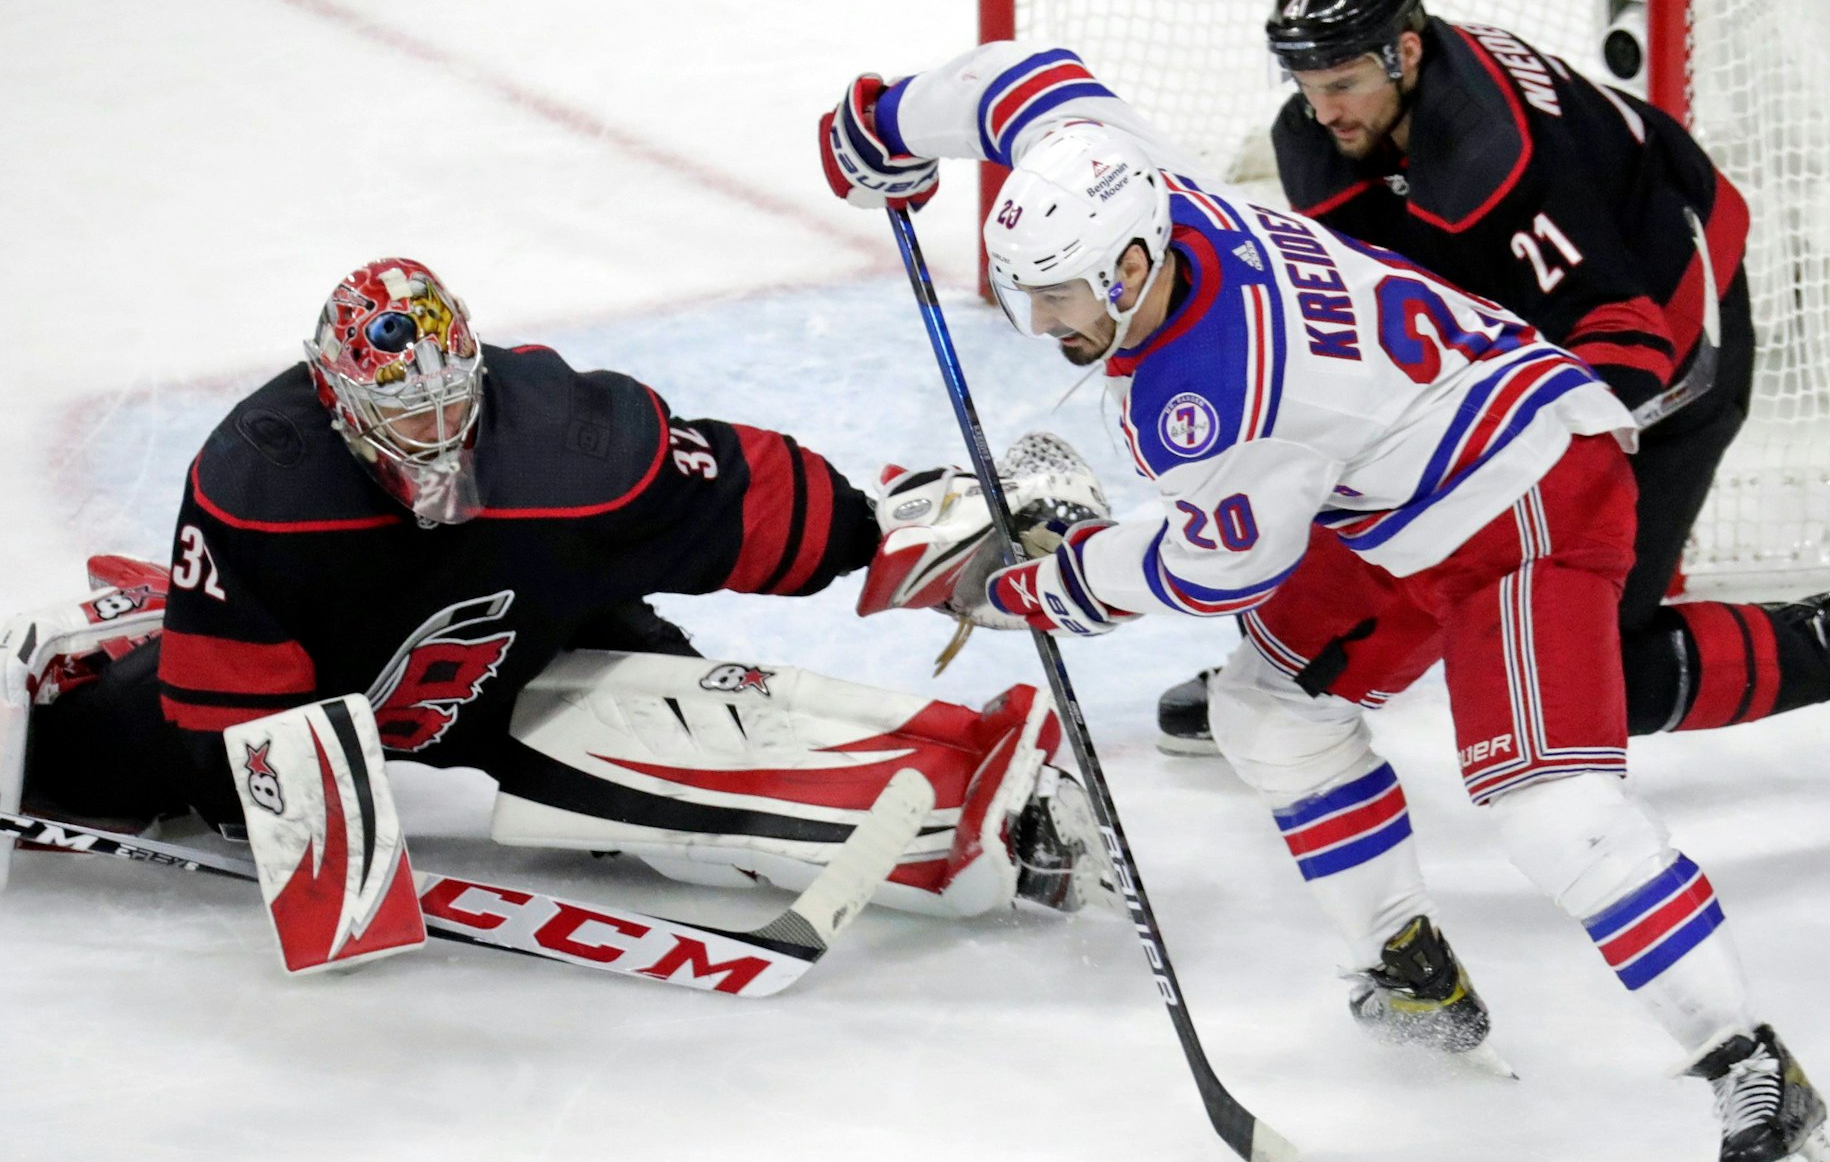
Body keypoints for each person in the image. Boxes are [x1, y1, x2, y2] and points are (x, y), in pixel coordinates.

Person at [820, 49, 1830, 1162]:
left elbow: (1216, 568)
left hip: (1529, 491)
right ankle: (1409, 975)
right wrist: (885, 120)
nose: (1038, 321)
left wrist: (1037, 588)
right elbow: (1034, 85)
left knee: (1544, 802)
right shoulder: (1152, 189)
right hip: (1398, 477)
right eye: (1023, 291)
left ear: (1130, 263)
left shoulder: (1209, 393)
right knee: (1268, 712)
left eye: (1057, 295)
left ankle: (1750, 1068)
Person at [0, 258, 1109, 919]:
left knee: (705, 780)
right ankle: (108, 652)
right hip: (321, 695)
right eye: (405, 419)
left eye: (450, 409)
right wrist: (273, 801)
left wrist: (911, 538)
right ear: (339, 403)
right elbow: (225, 716)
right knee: (74, 762)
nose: (437, 443)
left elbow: (746, 500)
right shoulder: (260, 483)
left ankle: (994, 814)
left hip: (531, 654)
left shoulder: (572, 442)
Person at [1152, 0, 1830, 761]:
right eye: (1309, 87)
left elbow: (1623, 329)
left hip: (1675, 331)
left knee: (1589, 665)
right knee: (1345, 492)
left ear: (1406, 52)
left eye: (1343, 85)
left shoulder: (1492, 153)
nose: (1324, 111)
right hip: (1555, 305)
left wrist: (1522, 465)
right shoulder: (1329, 135)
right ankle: (1281, 684)